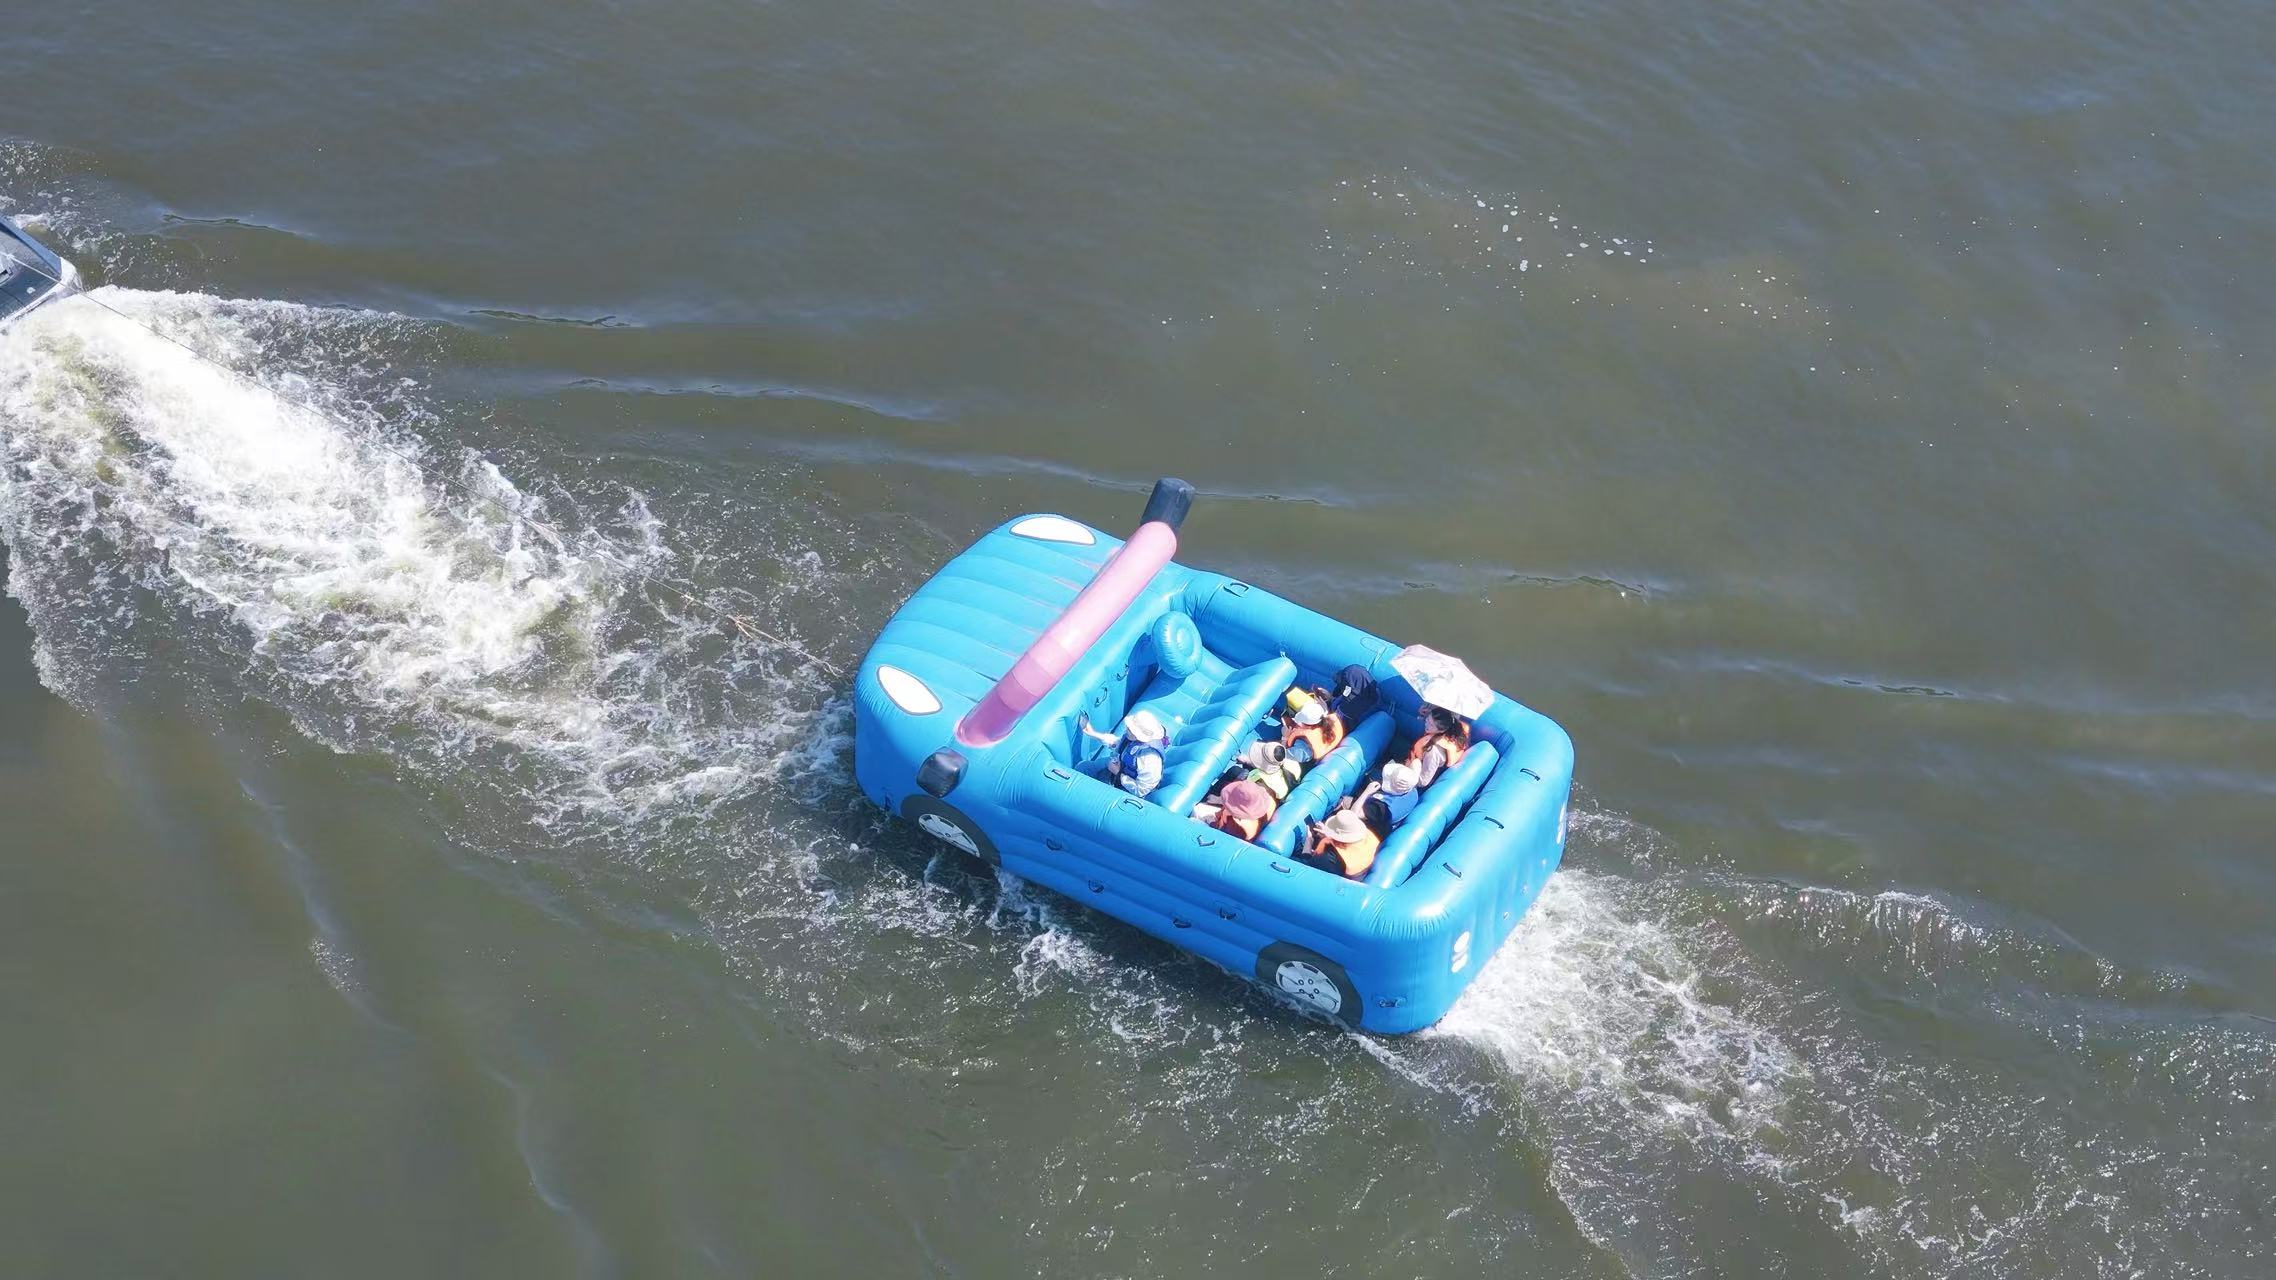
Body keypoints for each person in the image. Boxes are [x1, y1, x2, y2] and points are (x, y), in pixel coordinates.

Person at [1079, 708, 1169, 798]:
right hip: (1120, 767)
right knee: (1084, 767)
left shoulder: (1149, 759)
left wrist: (1118, 773)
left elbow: (1141, 790)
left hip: (1127, 787)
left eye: (1131, 730)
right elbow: (1118, 743)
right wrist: (1093, 733)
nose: (1127, 729)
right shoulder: (1133, 737)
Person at [1300, 808, 1380, 880]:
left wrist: (1308, 842)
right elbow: (1349, 843)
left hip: (1342, 879)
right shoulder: (1370, 835)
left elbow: (1306, 869)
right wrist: (1330, 836)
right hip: (1363, 872)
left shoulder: (1329, 859)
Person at [1347, 760, 1420, 837]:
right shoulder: (1412, 789)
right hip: (1382, 812)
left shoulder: (1381, 807)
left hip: (1370, 825)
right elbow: (1416, 762)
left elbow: (1353, 814)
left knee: (1344, 801)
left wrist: (1367, 792)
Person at [1408, 703, 1471, 788]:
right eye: (1428, 719)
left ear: (1441, 731)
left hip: (1416, 775)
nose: (1426, 724)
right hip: (1416, 758)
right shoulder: (1448, 726)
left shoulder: (1433, 752)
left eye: (1431, 725)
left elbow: (1423, 782)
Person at [1280, 688, 1346, 765]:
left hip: (1307, 764)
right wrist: (1329, 701)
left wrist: (1284, 738)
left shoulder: (1304, 747)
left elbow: (1282, 756)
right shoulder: (1332, 720)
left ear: (1304, 725)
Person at [1209, 779, 1276, 843]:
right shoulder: (1269, 800)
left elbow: (1222, 835)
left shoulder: (1236, 825)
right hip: (1260, 824)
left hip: (1237, 836)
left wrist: (1212, 822)